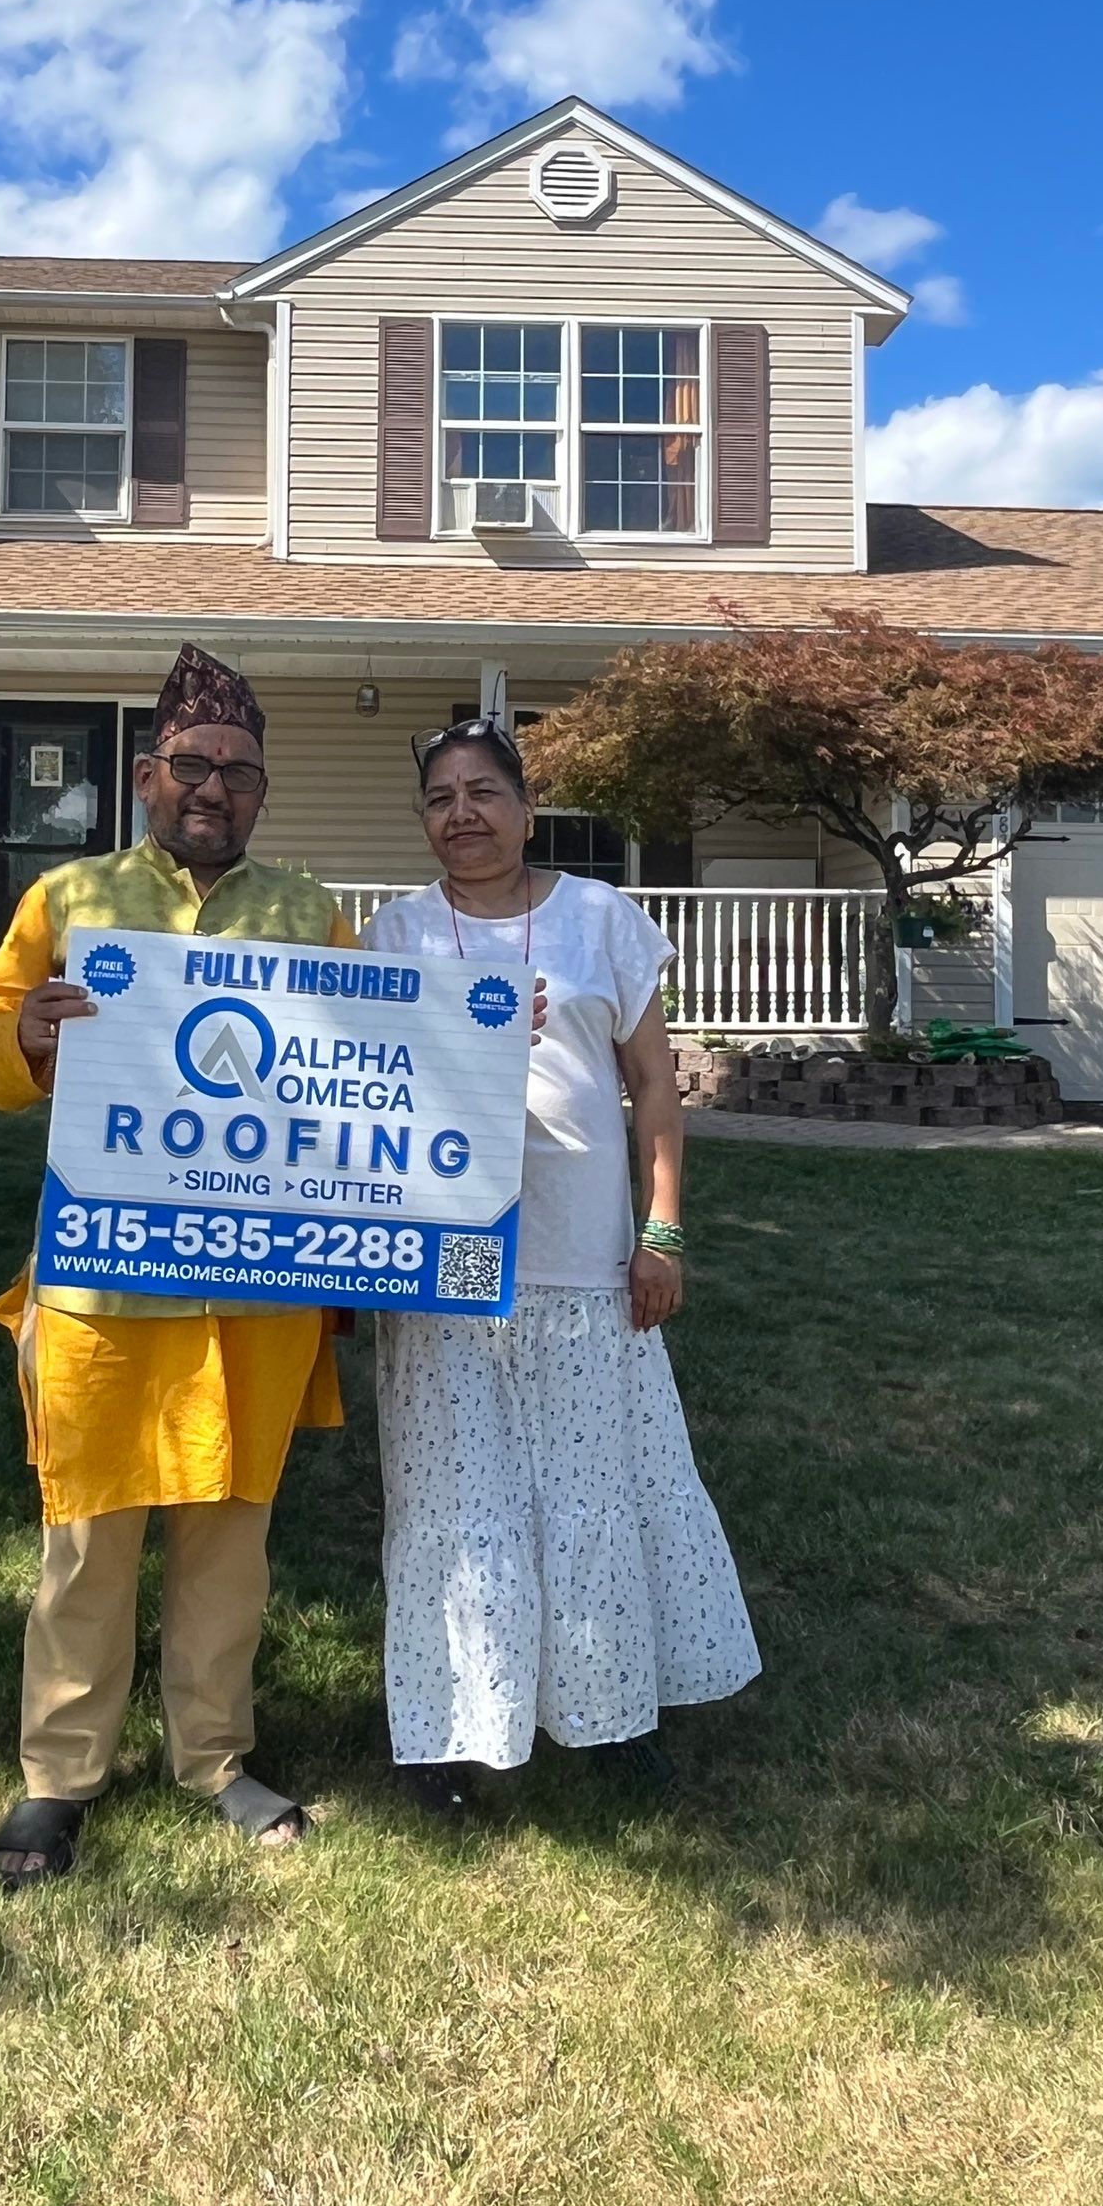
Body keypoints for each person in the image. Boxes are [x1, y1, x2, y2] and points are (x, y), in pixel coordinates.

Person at [0, 644, 356, 1886]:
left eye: (238, 771)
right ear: (146, 774)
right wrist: (15, 1031)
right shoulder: (71, 900)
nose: (214, 787)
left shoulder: (310, 912)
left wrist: (490, 1039)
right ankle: (57, 1779)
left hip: (259, 1289)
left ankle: (217, 1761)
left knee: (230, 1543)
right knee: (89, 1536)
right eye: (193, 764)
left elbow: (377, 1075)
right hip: (104, 1284)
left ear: (261, 790)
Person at [360, 716, 758, 1813]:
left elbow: (656, 1087)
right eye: (440, 798)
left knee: (592, 1494)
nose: (463, 815)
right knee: (453, 1496)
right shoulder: (395, 934)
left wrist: (663, 1229)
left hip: (582, 1257)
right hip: (441, 1265)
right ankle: (454, 1728)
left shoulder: (600, 921)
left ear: (529, 808)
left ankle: (608, 1711)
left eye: (484, 791)